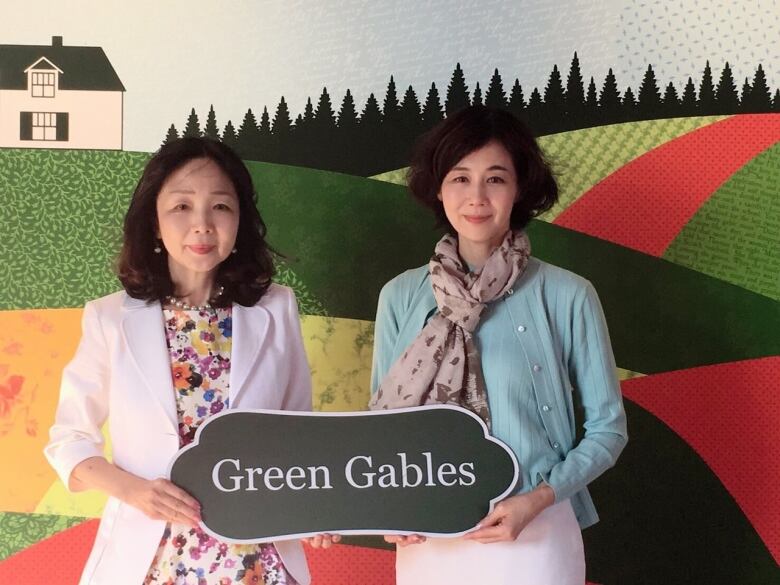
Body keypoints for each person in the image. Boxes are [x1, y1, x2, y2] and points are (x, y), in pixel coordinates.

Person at [368, 106, 628, 585]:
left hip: (534, 534)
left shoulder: (568, 294)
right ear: (438, 187)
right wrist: (391, 505)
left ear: (520, 187)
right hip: (429, 539)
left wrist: (538, 500)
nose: (476, 197)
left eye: (495, 178)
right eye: (460, 178)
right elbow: (382, 428)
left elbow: (609, 429)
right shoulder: (400, 296)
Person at [44, 138, 312, 585]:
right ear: (154, 221)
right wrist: (136, 492)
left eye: (220, 207)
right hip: (150, 559)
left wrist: (314, 512)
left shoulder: (278, 308)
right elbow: (67, 442)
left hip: (257, 557)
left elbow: (298, 435)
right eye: (181, 207)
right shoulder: (109, 318)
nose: (202, 225)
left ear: (240, 219)